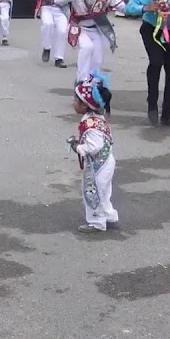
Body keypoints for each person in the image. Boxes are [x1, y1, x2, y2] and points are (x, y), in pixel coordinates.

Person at [56, 0, 125, 84]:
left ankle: (93, 85)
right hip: (79, 28)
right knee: (87, 47)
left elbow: (124, 8)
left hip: (96, 29)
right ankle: (81, 81)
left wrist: (135, 4)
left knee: (98, 59)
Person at [69, 72, 118, 233]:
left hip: (99, 164)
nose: (73, 102)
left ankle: (97, 221)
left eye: (76, 100)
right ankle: (109, 216)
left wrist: (78, 148)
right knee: (103, 192)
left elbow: (94, 146)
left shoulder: (91, 124)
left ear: (85, 105)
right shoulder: (96, 118)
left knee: (92, 191)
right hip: (106, 161)